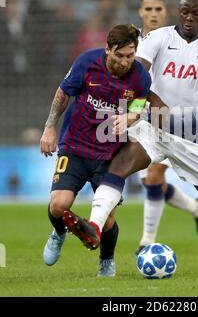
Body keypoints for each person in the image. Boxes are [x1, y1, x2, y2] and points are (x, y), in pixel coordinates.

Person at [64, 0, 198, 273]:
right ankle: (93, 227)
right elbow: (138, 70)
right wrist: (134, 109)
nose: (189, 17)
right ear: (178, 11)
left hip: (190, 132)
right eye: (184, 11)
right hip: (151, 125)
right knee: (116, 167)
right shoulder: (158, 38)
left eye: (195, 12)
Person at [40, 24, 152, 277]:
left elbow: (137, 109)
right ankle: (59, 233)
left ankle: (106, 259)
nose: (125, 62)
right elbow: (63, 94)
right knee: (59, 205)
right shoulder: (86, 63)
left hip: (110, 156)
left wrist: (129, 119)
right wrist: (49, 128)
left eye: (130, 55)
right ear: (107, 49)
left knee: (107, 219)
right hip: (75, 147)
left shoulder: (141, 78)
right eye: (120, 55)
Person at [136, 0, 198, 254]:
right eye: (148, 10)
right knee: (151, 183)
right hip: (137, 116)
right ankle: (195, 207)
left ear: (166, 12)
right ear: (140, 12)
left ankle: (147, 241)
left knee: (155, 175)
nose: (154, 14)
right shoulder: (132, 40)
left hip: (172, 120)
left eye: (158, 9)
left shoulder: (173, 37)